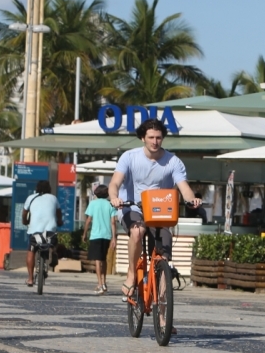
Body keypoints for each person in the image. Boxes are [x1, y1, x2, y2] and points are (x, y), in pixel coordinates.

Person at [108, 118, 201, 302]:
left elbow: (183, 187)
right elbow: (115, 182)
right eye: (151, 137)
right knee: (137, 231)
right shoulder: (129, 157)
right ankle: (132, 273)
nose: (155, 141)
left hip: (160, 211)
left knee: (164, 259)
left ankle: (163, 316)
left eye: (158, 137)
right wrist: (114, 197)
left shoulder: (172, 161)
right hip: (131, 207)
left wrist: (191, 199)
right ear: (143, 138)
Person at [22, 180, 61, 287]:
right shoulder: (53, 198)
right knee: (54, 240)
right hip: (50, 231)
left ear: (37, 188)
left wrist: (25, 222)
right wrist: (60, 221)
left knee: (31, 251)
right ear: (49, 189)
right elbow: (59, 213)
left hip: (34, 231)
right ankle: (53, 251)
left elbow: (24, 213)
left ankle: (30, 279)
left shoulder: (31, 198)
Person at [83, 184, 118, 295]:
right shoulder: (110, 204)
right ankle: (104, 282)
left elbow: (88, 220)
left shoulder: (93, 204)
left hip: (95, 235)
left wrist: (84, 233)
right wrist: (114, 238)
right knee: (103, 259)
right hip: (107, 235)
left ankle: (100, 284)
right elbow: (113, 222)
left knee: (98, 260)